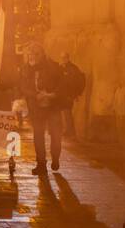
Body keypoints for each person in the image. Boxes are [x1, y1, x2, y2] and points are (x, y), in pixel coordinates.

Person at [19, 42, 63, 175]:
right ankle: (41, 164)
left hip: (52, 106)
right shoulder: (25, 69)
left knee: (55, 134)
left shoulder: (53, 67)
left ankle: (55, 158)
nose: (32, 56)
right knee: (38, 136)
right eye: (30, 54)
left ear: (42, 55)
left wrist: (51, 94)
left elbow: (62, 84)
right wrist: (35, 95)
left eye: (35, 54)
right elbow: (23, 86)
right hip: (36, 107)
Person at [59, 53, 86, 140]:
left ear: (67, 58)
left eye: (64, 58)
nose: (63, 59)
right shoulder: (63, 67)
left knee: (67, 112)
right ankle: (68, 131)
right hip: (64, 94)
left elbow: (74, 82)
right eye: (62, 58)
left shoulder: (72, 68)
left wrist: (75, 94)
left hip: (68, 94)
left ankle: (70, 132)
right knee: (66, 112)